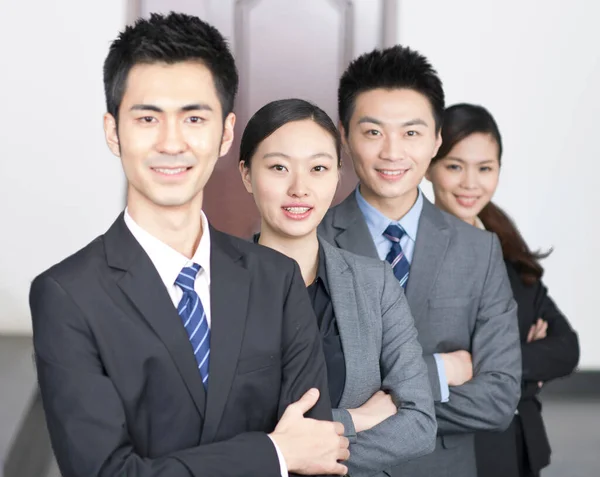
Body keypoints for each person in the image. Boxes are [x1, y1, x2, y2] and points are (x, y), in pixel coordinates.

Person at [29, 13, 350, 477]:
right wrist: (274, 454)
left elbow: (317, 452)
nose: (172, 142)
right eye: (147, 118)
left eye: (194, 117)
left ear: (224, 134)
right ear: (113, 131)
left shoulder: (275, 280)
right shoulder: (67, 296)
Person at [318, 45, 522, 477]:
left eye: (411, 133)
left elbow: (499, 400)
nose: (393, 153)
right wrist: (440, 372)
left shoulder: (479, 252)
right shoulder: (311, 240)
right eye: (373, 132)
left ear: (437, 138)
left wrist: (377, 407)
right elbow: (301, 398)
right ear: (345, 135)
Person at [238, 98, 437, 476]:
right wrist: (355, 418)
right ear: (247, 174)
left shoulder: (374, 283)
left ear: (337, 174)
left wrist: (292, 453)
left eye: (318, 168)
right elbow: (216, 432)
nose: (299, 188)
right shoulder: (215, 288)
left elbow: (418, 425)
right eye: (279, 167)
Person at [426, 103, 580, 477]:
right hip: (451, 449)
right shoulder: (410, 251)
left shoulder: (507, 247)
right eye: (454, 166)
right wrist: (521, 365)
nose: (470, 183)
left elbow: (565, 348)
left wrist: (479, 366)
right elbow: (410, 367)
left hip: (518, 447)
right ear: (429, 165)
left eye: (485, 168)